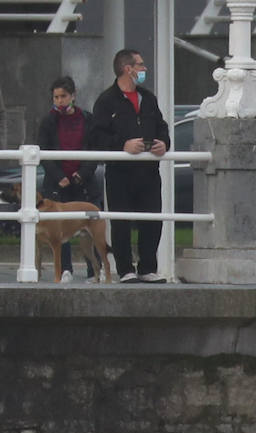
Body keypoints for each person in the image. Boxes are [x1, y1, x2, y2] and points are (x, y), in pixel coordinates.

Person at [88, 48, 169, 284]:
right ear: (128, 69)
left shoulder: (149, 98)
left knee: (152, 219)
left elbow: (162, 126)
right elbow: (96, 137)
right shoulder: (105, 101)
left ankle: (148, 267)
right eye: (140, 65)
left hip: (149, 173)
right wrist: (122, 145)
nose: (144, 69)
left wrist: (163, 143)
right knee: (121, 221)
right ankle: (125, 270)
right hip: (120, 173)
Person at [37, 76, 99, 282]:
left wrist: (83, 173)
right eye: (56, 97)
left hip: (84, 181)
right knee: (58, 227)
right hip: (58, 182)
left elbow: (94, 149)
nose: (60, 101)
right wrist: (59, 176)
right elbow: (43, 152)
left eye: (63, 96)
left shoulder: (88, 119)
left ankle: (94, 270)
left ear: (73, 95)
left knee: (89, 225)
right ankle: (65, 269)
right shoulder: (48, 121)